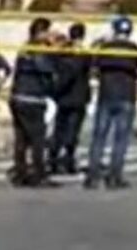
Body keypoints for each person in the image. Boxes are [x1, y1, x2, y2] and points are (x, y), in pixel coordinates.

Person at [85, 16, 137, 190]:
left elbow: (94, 70)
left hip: (106, 97)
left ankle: (92, 177)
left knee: (99, 138)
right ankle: (114, 177)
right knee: (120, 139)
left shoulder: (105, 48)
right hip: (127, 97)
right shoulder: (135, 49)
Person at [10, 18, 57, 187]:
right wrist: (53, 51)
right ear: (42, 32)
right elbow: (47, 69)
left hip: (17, 96)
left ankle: (20, 172)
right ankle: (39, 174)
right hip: (32, 97)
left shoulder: (25, 48)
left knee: (21, 138)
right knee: (38, 138)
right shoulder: (39, 49)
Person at [48, 22, 91, 176]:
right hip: (78, 97)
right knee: (72, 132)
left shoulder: (62, 52)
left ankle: (54, 159)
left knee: (59, 129)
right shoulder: (84, 54)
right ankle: (67, 160)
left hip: (64, 97)